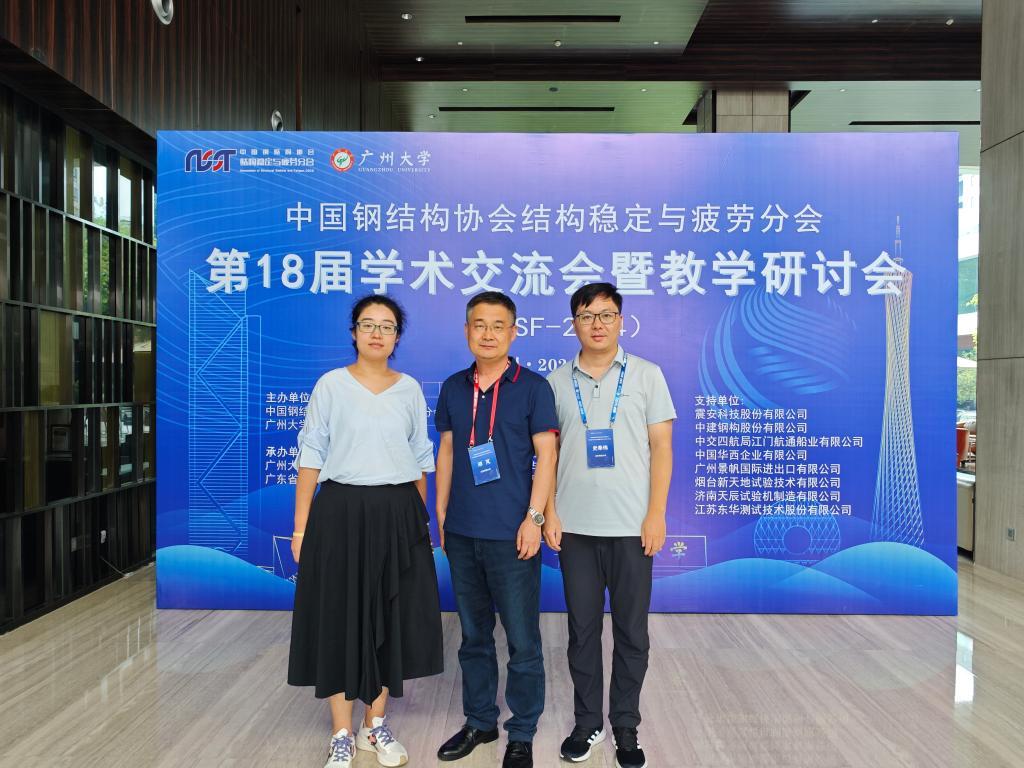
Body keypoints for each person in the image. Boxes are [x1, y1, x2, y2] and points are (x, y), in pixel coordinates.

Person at [288, 295, 443, 768]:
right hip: (340, 514)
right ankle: (341, 731)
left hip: (398, 513)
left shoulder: (409, 389)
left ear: (397, 337)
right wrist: (301, 529)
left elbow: (420, 458)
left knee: (388, 618)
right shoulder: (331, 385)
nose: (377, 333)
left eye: (387, 326)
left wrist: (420, 522)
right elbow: (311, 455)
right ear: (353, 332)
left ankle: (374, 725)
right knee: (339, 617)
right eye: (368, 324)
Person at [543, 282, 676, 768]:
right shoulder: (555, 383)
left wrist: (655, 514)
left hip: (632, 528)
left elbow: (662, 448)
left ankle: (625, 724)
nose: (597, 324)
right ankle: (587, 723)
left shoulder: (647, 375)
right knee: (581, 632)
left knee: (631, 632)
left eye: (606, 315)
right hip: (575, 529)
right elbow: (547, 454)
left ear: (621, 320)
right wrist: (550, 512)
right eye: (586, 316)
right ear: (573, 324)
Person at [433, 291, 559, 768]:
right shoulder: (453, 387)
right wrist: (441, 515)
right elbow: (447, 451)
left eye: (498, 325)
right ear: (467, 331)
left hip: (514, 534)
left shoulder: (533, 387)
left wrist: (535, 518)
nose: (488, 333)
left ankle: (521, 732)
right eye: (479, 325)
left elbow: (547, 456)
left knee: (523, 641)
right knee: (473, 637)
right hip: (463, 532)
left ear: (513, 332)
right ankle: (480, 721)